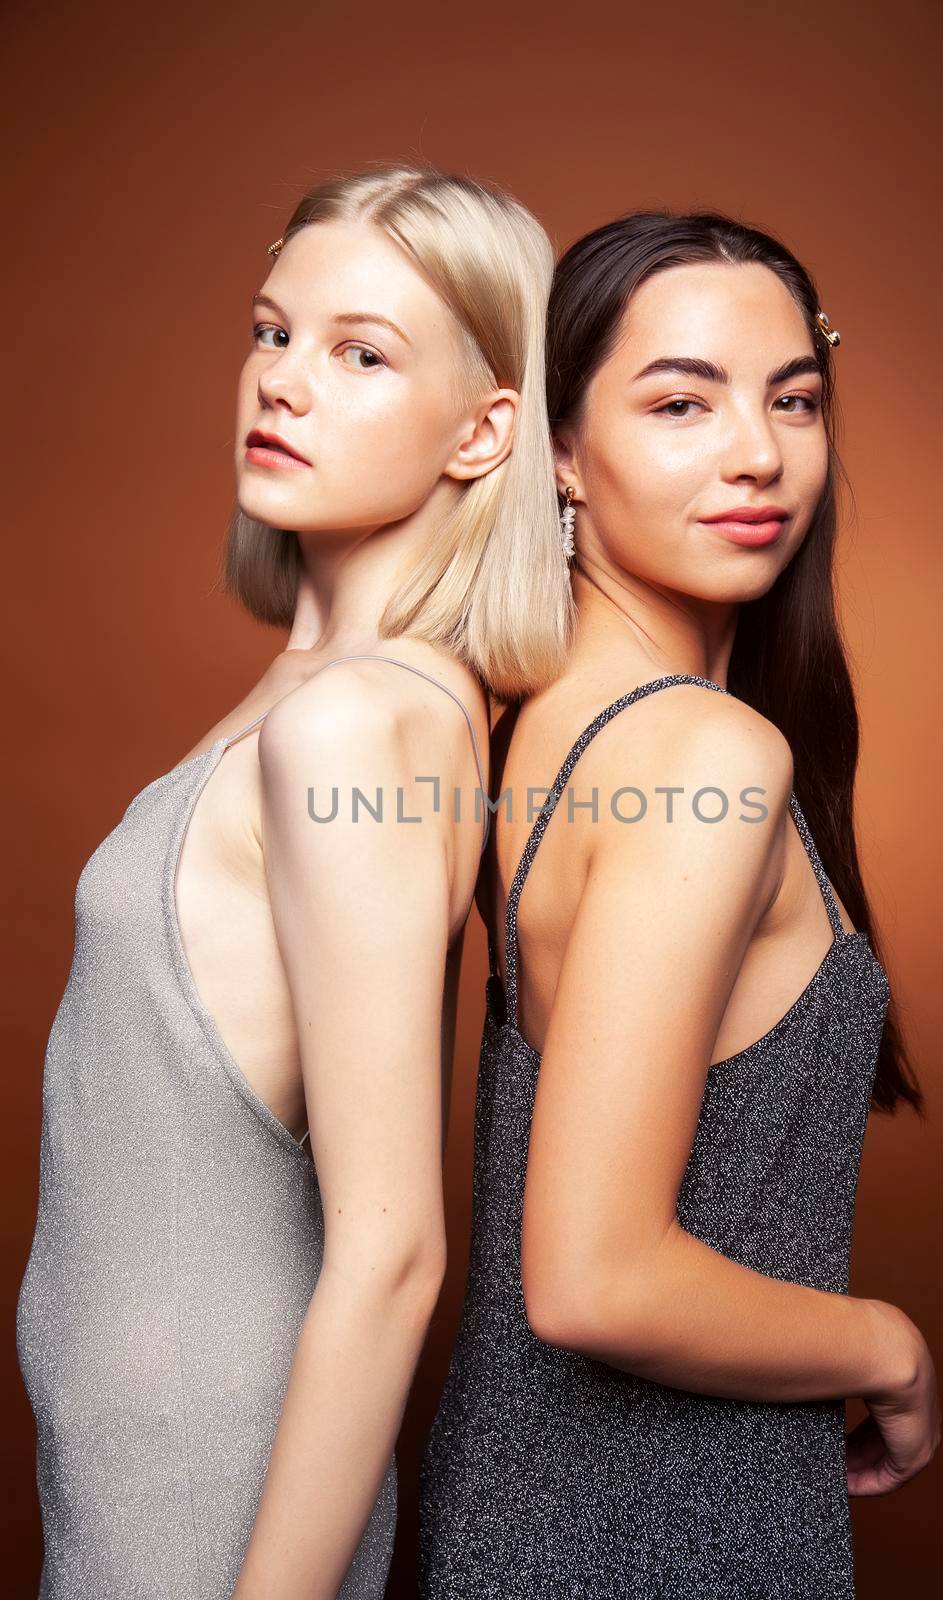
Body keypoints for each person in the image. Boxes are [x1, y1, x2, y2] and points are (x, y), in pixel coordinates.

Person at [15, 162, 572, 1600]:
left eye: (360, 353)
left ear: (484, 430)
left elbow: (391, 1250)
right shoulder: (308, 688)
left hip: (213, 1479)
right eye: (272, 333)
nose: (284, 382)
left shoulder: (364, 719)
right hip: (130, 1447)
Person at [418, 210, 940, 1598]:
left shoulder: (536, 724)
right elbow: (593, 1279)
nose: (759, 452)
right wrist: (886, 1344)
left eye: (794, 398)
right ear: (564, 456)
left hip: (525, 1505)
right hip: (653, 1533)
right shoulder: (704, 754)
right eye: (682, 401)